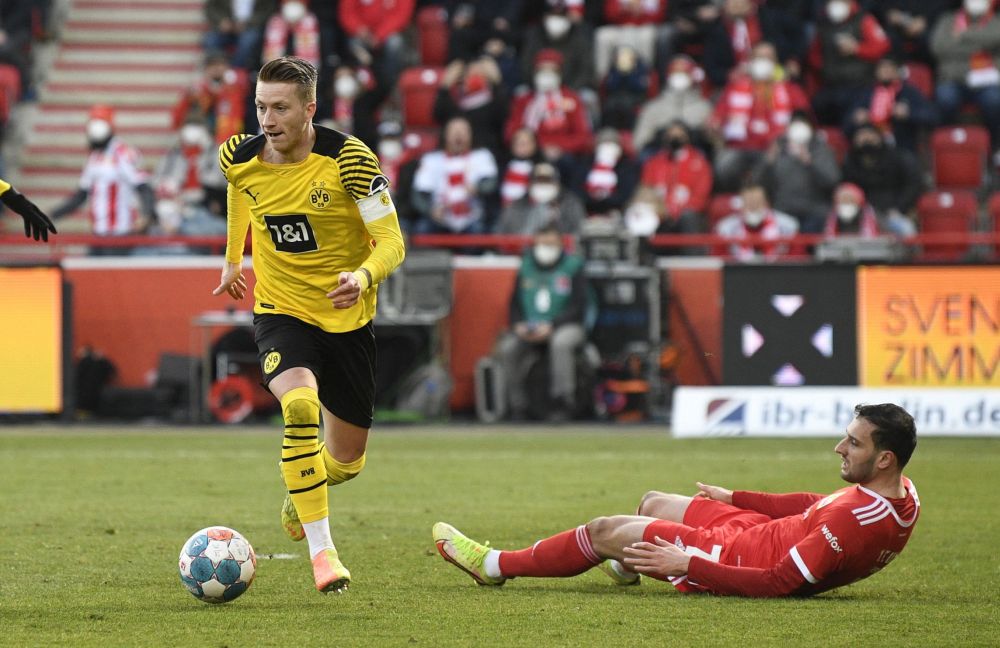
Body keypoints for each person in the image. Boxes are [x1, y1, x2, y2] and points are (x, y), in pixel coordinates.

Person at [212, 56, 406, 594]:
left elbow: (393, 241)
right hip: (281, 309)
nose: (266, 119)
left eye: (279, 108)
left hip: (346, 317)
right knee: (298, 406)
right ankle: (324, 554)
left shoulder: (349, 160)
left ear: (309, 110)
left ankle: (304, 492)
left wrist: (364, 276)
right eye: (259, 106)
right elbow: (238, 191)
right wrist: (234, 258)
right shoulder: (240, 155)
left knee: (347, 461)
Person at [434, 403, 920, 598]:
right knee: (652, 501)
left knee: (605, 529)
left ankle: (495, 565)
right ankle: (630, 568)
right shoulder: (903, 497)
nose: (840, 447)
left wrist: (688, 562)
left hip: (737, 556)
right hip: (758, 530)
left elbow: (782, 582)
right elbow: (815, 503)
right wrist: (736, 497)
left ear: (884, 459)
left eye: (853, 444)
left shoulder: (857, 522)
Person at [496, 223, 590, 421]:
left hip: (565, 326)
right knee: (508, 348)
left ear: (560, 243)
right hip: (530, 326)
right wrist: (518, 325)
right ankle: (517, 405)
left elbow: (578, 306)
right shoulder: (526, 266)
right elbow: (515, 303)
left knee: (561, 343)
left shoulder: (573, 266)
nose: (546, 247)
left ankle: (562, 400)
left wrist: (553, 325)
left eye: (551, 242)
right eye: (542, 242)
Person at [49, 105, 157, 237]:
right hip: (98, 231)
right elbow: (81, 195)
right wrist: (52, 215)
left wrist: (146, 214)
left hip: (121, 232)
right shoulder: (94, 157)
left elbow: (144, 186)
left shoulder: (122, 152)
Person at [753, 111, 840, 233]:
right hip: (783, 210)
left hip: (814, 211)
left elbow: (832, 181)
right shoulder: (777, 149)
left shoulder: (822, 150)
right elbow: (757, 182)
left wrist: (810, 163)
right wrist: (768, 162)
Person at [411, 116, 499, 235]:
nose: (458, 135)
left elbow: (491, 183)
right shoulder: (431, 160)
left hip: (472, 219)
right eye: (454, 131)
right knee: (421, 229)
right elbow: (418, 195)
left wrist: (478, 188)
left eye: (463, 131)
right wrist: (431, 210)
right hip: (440, 218)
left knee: (482, 231)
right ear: (445, 135)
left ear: (471, 135)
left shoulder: (482, 156)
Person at [496, 161, 587, 235]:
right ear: (530, 184)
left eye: (547, 181)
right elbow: (501, 236)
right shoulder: (515, 207)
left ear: (557, 184)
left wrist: (557, 220)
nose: (543, 185)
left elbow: (578, 234)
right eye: (539, 181)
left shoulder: (571, 204)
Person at [714, 182, 799, 261]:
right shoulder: (725, 228)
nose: (753, 207)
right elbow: (720, 262)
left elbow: (797, 261)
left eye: (757, 202)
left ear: (766, 203)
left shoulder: (788, 226)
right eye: (749, 203)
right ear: (741, 204)